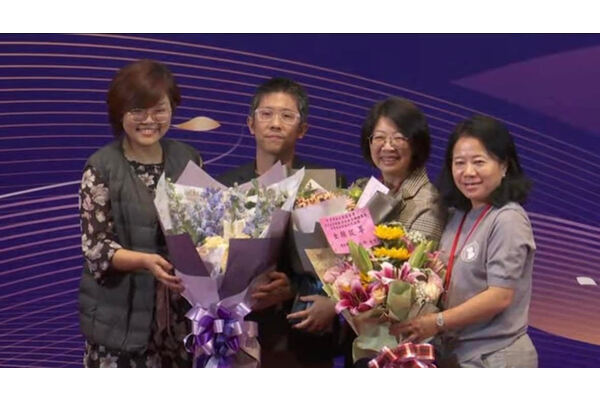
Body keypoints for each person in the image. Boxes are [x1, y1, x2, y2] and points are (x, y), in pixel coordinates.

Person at [289, 96, 447, 365]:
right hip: (361, 335)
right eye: (379, 138)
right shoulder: (362, 190)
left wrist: (336, 305)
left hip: (404, 343)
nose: (387, 146)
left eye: (398, 138)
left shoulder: (428, 202)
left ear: (416, 143)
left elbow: (410, 282)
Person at [78, 59, 202, 367]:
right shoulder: (101, 166)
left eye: (159, 110)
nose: (149, 120)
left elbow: (205, 230)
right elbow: (96, 247)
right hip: (120, 320)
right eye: (137, 110)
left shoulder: (189, 158)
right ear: (120, 112)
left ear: (172, 109)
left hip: (180, 320)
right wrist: (145, 261)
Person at [391, 115, 538, 368]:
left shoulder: (508, 218)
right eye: (459, 163)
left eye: (479, 162)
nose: (468, 172)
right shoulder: (457, 215)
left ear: (504, 166)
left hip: (497, 357)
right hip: (458, 355)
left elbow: (499, 296)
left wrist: (437, 322)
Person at [217, 77, 345, 367]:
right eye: (266, 114)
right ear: (251, 124)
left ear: (302, 130)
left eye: (287, 116)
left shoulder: (326, 186)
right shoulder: (225, 188)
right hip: (240, 333)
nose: (275, 124)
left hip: (305, 335)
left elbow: (345, 269)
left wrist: (296, 289)